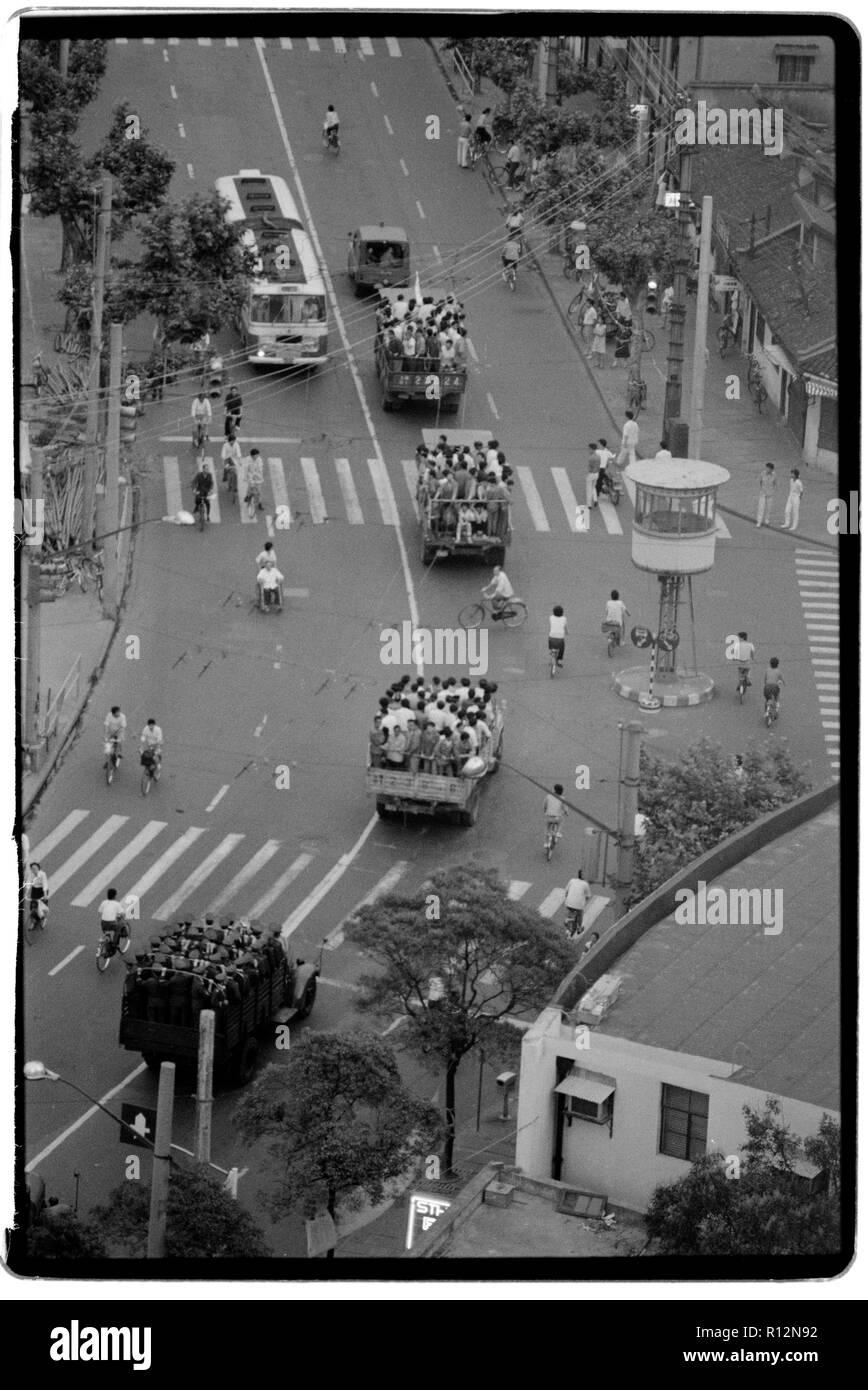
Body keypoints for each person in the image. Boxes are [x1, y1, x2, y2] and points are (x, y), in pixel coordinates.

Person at [756, 462, 776, 528]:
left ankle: (767, 519)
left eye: (768, 468)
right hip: (763, 494)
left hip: (770, 494)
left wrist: (773, 491)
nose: (766, 469)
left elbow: (775, 483)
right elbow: (759, 481)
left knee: (768, 508)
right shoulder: (762, 473)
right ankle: (759, 521)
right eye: (766, 468)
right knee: (761, 508)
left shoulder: (774, 475)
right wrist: (761, 489)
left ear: (771, 469)